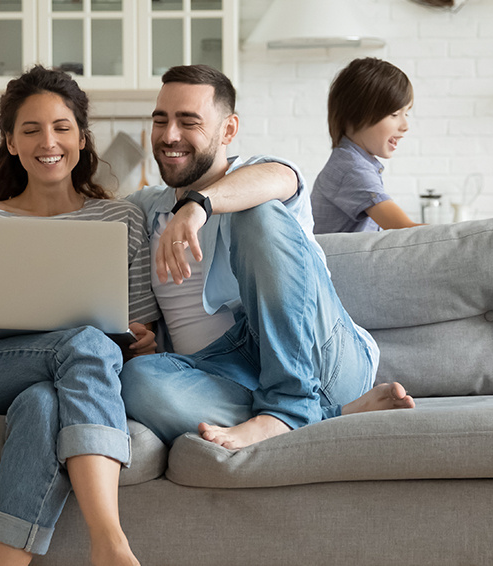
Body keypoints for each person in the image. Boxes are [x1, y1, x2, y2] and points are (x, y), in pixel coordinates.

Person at [120, 64, 414, 452]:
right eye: (161, 121)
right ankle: (326, 415)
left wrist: (199, 205)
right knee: (135, 380)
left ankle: (289, 405)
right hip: (225, 371)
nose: (170, 135)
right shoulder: (145, 208)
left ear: (228, 130)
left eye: (188, 121)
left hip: (320, 354)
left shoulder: (259, 174)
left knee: (256, 210)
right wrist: (140, 336)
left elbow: (278, 179)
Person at [0, 66, 159, 566]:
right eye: (30, 130)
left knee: (40, 405)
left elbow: (141, 326)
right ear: (11, 142)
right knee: (86, 342)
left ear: (81, 136)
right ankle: (110, 543)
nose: (47, 141)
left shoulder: (121, 217)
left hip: (68, 379)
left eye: (61, 127)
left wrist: (143, 339)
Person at [311, 57, 421, 233]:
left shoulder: (354, 163)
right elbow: (407, 231)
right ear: (355, 115)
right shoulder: (351, 169)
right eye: (394, 114)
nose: (405, 126)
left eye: (406, 113)